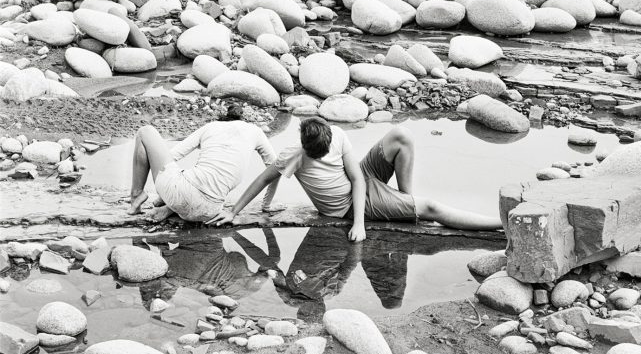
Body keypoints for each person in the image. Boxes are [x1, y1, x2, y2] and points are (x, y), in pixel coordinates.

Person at [209, 117, 502, 238]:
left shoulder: (336, 134)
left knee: (402, 134)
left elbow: (358, 178)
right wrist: (234, 212)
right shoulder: (292, 156)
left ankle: (406, 200)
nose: (323, 157)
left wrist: (360, 224)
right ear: (304, 145)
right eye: (317, 156)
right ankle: (502, 224)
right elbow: (262, 179)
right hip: (346, 205)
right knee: (432, 208)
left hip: (361, 181)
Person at [128, 105, 278, 222]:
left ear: (224, 118)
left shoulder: (211, 127)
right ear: (243, 120)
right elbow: (276, 167)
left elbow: (172, 156)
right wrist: (266, 205)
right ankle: (170, 208)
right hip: (211, 211)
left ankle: (137, 195)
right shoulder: (256, 131)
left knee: (145, 131)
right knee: (200, 184)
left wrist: (163, 192)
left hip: (180, 193)